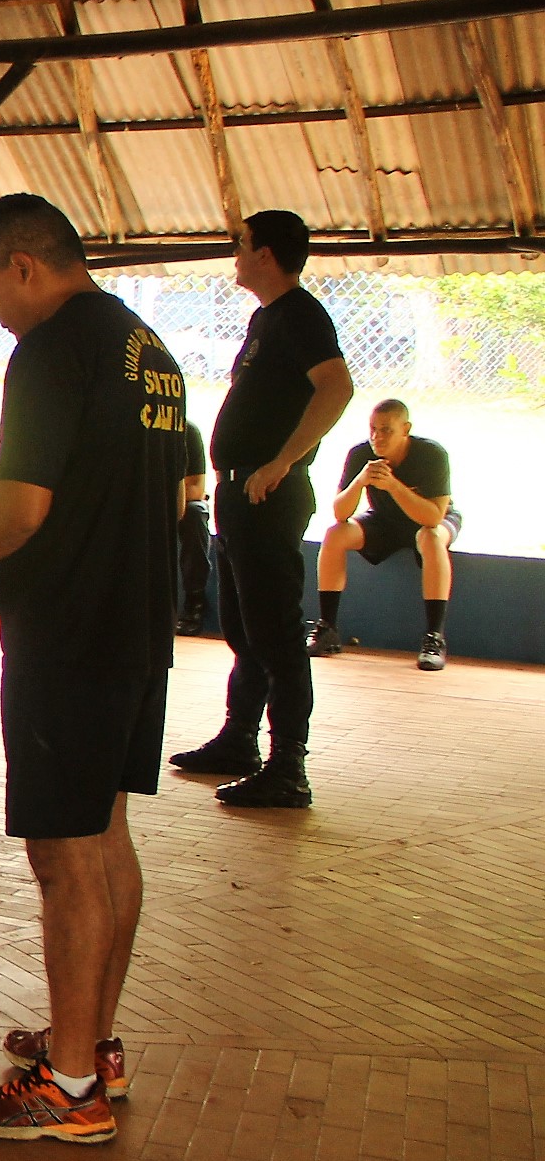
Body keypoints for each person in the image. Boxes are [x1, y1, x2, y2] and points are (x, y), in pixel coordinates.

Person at [0, 193, 187, 1145]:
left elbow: (21, 507)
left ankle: (68, 1089)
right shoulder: (145, 345)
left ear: (25, 266)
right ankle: (94, 1046)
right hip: (135, 626)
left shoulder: (48, 354)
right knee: (107, 837)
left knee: (63, 858)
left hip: (69, 636)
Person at [170, 210, 353, 809]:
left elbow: (336, 386)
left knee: (274, 629)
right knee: (246, 627)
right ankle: (238, 739)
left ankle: (287, 766)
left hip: (267, 491)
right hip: (238, 491)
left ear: (268, 254)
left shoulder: (300, 314)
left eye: (243, 245)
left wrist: (282, 462)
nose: (237, 255)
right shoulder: (267, 318)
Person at [311, 398, 460, 671]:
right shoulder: (360, 455)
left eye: (386, 430)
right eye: (373, 429)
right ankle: (327, 628)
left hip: (429, 518)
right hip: (384, 519)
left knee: (431, 537)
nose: (377, 437)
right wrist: (360, 481)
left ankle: (434, 638)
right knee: (335, 534)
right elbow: (340, 512)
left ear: (406, 429)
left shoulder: (431, 454)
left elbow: (433, 517)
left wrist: (393, 485)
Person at [175, 418, 210, 636]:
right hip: (139, 501)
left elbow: (197, 487)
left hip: (174, 501)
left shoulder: (188, 431)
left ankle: (195, 603)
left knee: (196, 513)